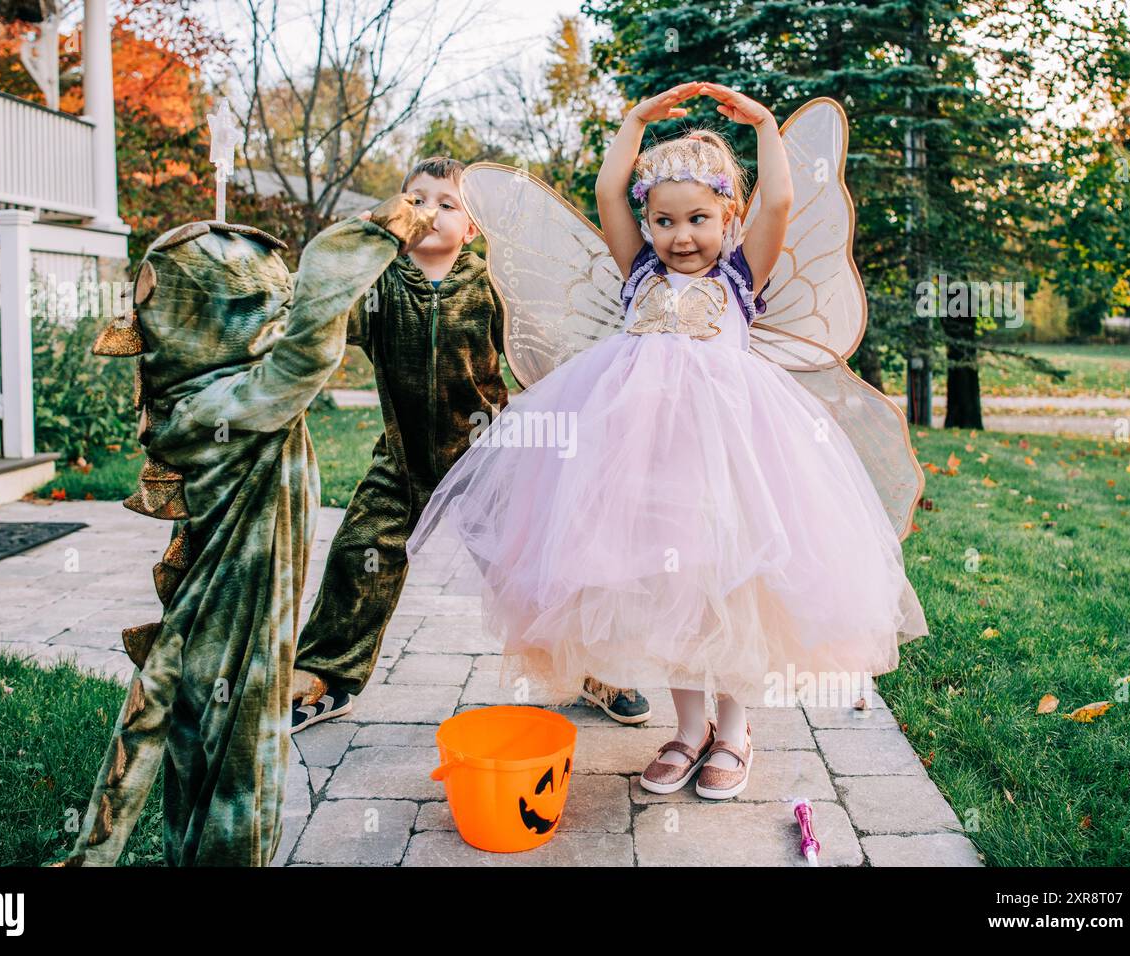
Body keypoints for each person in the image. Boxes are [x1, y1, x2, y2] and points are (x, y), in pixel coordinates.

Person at [406, 82, 929, 801]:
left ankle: (735, 733)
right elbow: (606, 190)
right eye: (664, 221)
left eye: (699, 220)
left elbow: (779, 200)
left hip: (734, 459)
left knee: (733, 584)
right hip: (645, 463)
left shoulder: (741, 276)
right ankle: (687, 732)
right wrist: (636, 121)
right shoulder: (639, 272)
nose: (681, 236)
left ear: (729, 218)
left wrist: (767, 124)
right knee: (671, 588)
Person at [62, 194, 435, 865]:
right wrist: (369, 233)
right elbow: (302, 357)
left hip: (229, 622)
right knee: (237, 767)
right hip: (235, 630)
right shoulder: (213, 406)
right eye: (250, 307)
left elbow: (295, 340)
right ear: (194, 322)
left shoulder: (225, 391)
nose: (273, 315)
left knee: (184, 743)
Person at [291, 156, 651, 731]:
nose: (428, 211)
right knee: (360, 554)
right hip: (403, 458)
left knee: (535, 565)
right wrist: (360, 246)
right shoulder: (378, 283)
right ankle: (324, 676)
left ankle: (589, 666)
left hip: (488, 457)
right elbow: (318, 311)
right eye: (415, 199)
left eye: (446, 203)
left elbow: (536, 354)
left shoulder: (490, 285)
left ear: (474, 227)